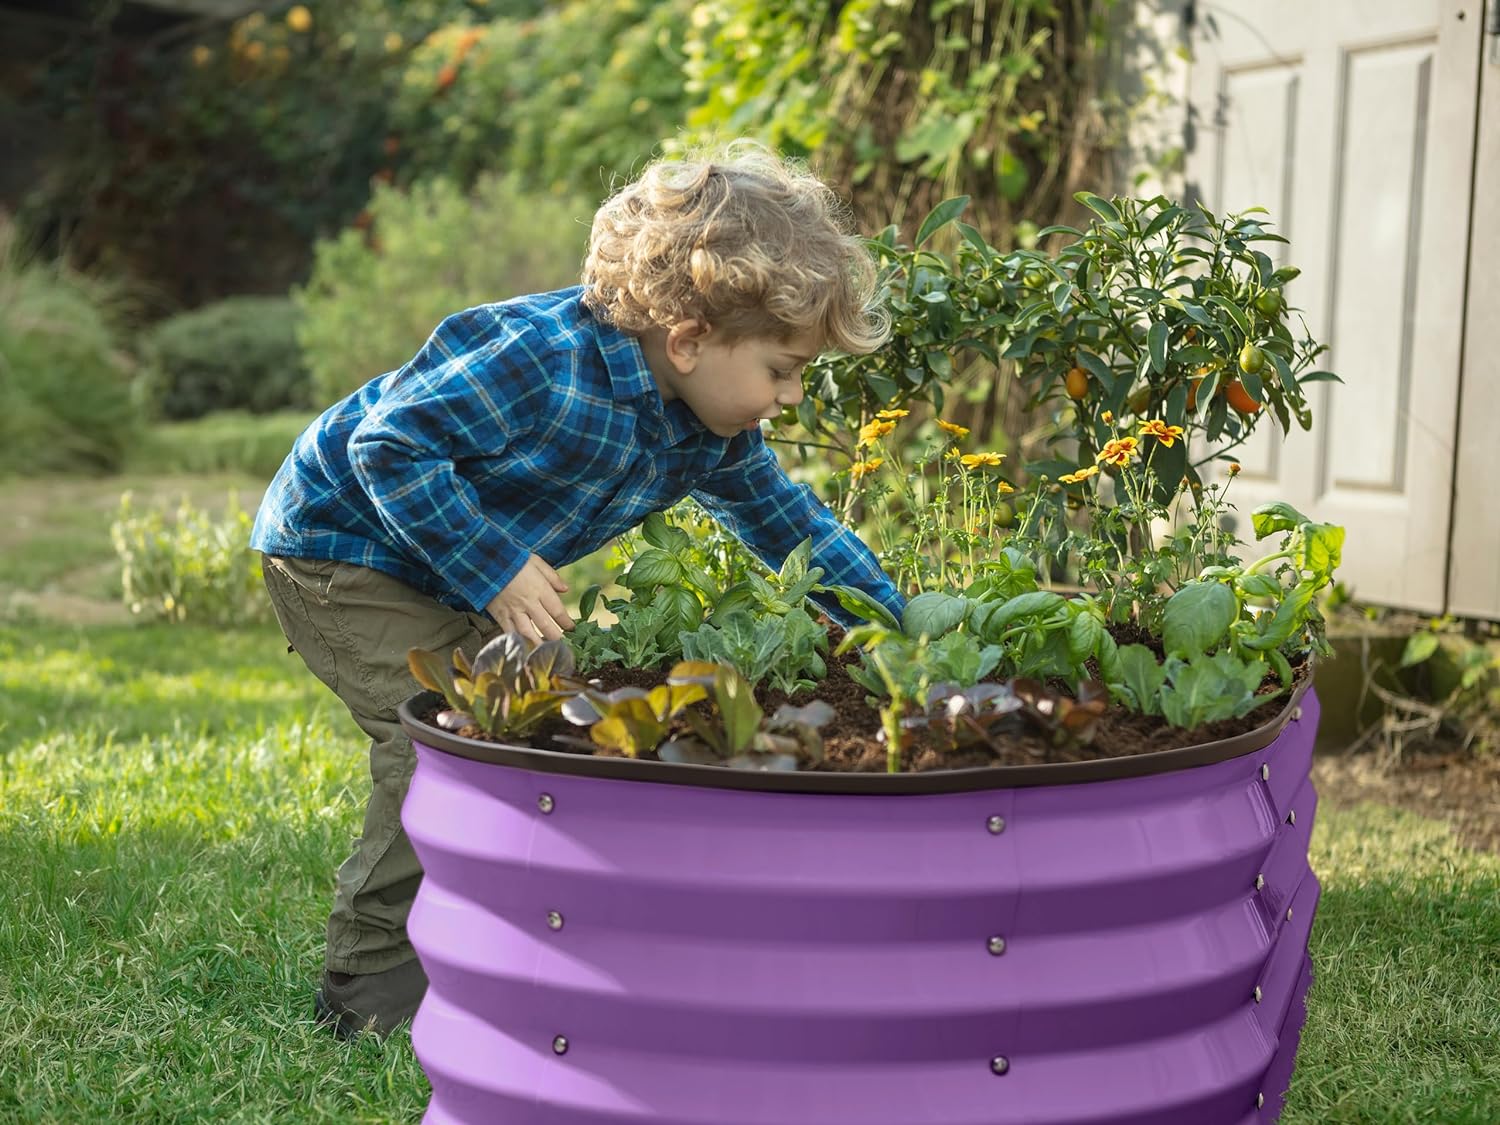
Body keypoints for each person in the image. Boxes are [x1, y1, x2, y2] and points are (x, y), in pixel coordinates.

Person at [250, 142, 905, 1039]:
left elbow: (793, 528)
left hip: (441, 550)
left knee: (541, 703)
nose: (789, 397)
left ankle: (504, 939)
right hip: (341, 544)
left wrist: (899, 627)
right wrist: (494, 566)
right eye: (782, 370)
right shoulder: (540, 358)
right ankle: (364, 995)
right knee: (447, 736)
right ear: (688, 340)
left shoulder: (709, 430)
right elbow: (388, 448)